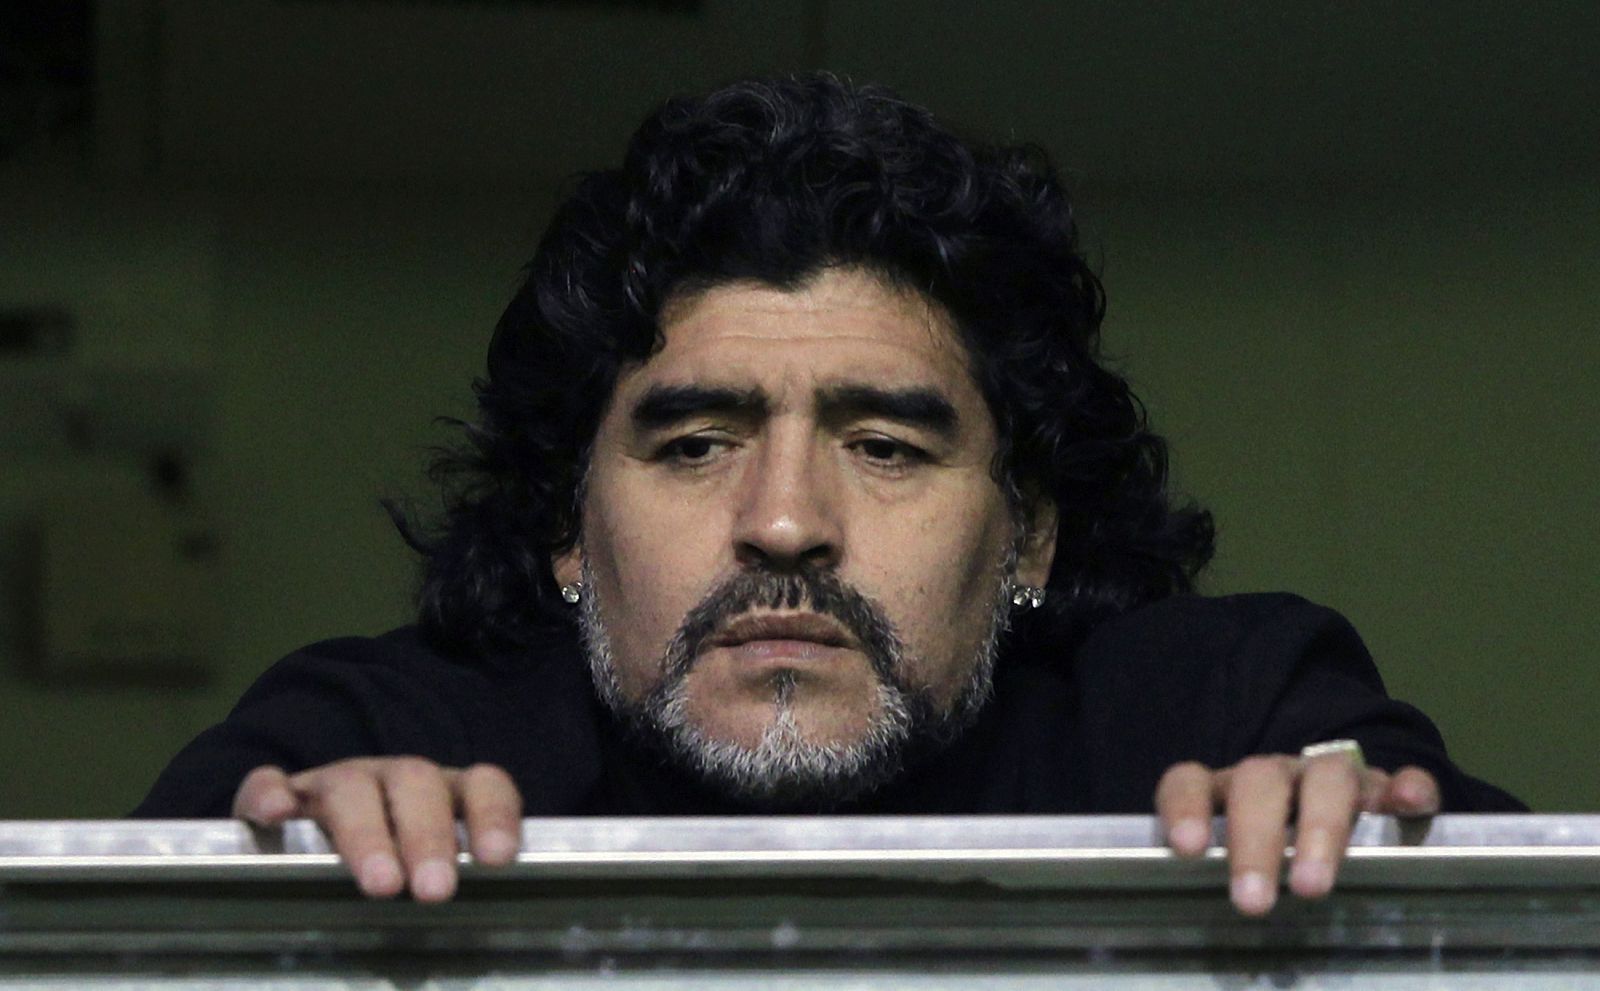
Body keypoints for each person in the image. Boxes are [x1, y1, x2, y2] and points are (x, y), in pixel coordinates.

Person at [134, 73, 1521, 915]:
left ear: (1025, 530)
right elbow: (151, 893)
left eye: (887, 447)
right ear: (567, 533)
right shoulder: (400, 729)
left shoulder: (1216, 702)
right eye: (692, 446)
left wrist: (1362, 836)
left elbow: (1473, 874)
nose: (785, 522)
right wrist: (293, 872)